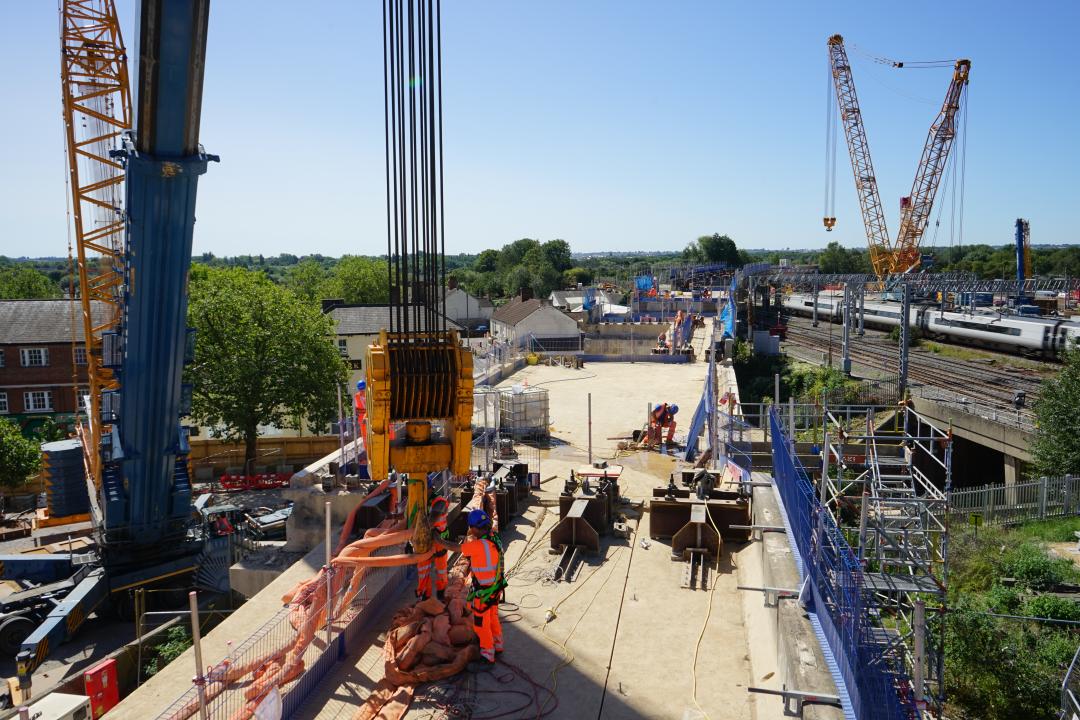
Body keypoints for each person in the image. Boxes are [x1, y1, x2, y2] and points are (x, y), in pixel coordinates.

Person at [438, 509, 505, 666]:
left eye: (471, 527)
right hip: (495, 589)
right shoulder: (494, 539)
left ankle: (488, 653)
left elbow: (456, 548)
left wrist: (438, 540)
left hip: (483, 592)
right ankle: (498, 644)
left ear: (475, 528)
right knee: (493, 617)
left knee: (481, 624)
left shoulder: (477, 546)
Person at [416, 494, 450, 600]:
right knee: (423, 569)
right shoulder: (417, 500)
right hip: (426, 540)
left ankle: (441, 593)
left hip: (439, 541)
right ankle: (425, 595)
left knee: (441, 570)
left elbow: (433, 519)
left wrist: (416, 532)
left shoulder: (439, 501)